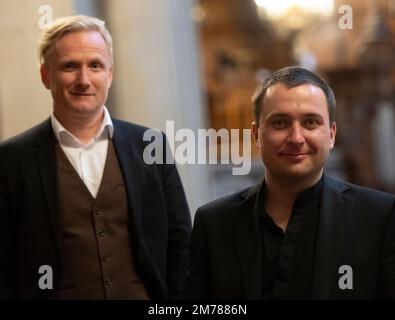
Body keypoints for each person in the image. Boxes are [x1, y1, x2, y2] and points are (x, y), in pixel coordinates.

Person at [0, 15, 191, 300]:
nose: (84, 80)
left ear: (110, 74)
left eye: (95, 65)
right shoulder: (11, 159)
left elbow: (181, 244)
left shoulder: (151, 145)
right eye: (69, 67)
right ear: (45, 76)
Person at [184, 66, 395, 299]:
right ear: (256, 135)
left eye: (311, 123)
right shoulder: (214, 224)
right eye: (280, 123)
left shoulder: (379, 217)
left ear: (332, 134)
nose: (296, 138)